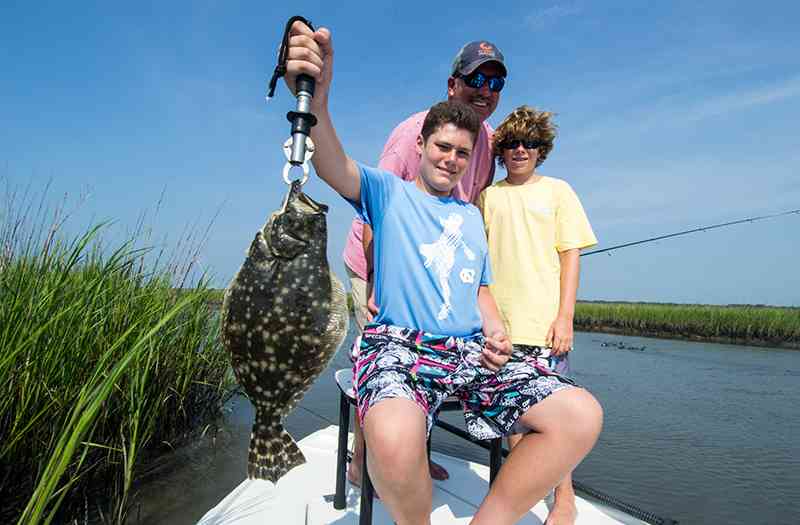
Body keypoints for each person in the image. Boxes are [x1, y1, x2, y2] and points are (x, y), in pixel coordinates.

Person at [284, 22, 602, 525]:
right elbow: (331, 164)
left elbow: (481, 289)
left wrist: (496, 332)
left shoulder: (473, 217)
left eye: (461, 153)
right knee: (393, 438)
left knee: (581, 415)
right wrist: (317, 99)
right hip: (400, 346)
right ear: (422, 143)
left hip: (466, 354)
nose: (451, 160)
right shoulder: (387, 192)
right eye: (442, 147)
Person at [342, 39, 507, 485]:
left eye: (495, 83)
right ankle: (361, 460)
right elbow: (377, 209)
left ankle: (415, 452)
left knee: (431, 359)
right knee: (382, 359)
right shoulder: (412, 132)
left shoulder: (488, 141)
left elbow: (466, 206)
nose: (485, 90)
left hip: (437, 263)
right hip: (377, 260)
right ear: (453, 84)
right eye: (476, 79)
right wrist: (377, 281)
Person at [478, 106, 598, 525]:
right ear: (500, 151)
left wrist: (565, 317)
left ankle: (564, 498)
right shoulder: (488, 197)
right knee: (515, 417)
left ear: (541, 149)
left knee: (558, 422)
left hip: (546, 328)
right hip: (499, 329)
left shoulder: (559, 191)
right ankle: (517, 494)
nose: (520, 150)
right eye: (511, 143)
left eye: (529, 143)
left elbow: (570, 256)